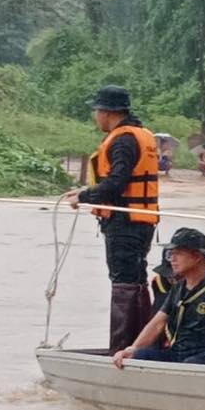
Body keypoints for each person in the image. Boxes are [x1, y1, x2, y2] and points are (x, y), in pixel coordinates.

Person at [64, 85, 161, 353]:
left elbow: (117, 183)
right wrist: (84, 193)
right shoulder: (141, 134)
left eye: (97, 111)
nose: (96, 117)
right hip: (140, 220)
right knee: (135, 280)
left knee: (124, 282)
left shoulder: (123, 140)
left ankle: (121, 347)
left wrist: (84, 196)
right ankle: (138, 345)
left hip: (125, 223)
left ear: (107, 112)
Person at [114, 228, 205, 367]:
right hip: (178, 352)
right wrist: (133, 348)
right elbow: (158, 323)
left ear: (197, 256)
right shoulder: (179, 287)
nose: (172, 259)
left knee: (192, 363)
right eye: (170, 254)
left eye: (177, 253)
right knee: (140, 356)